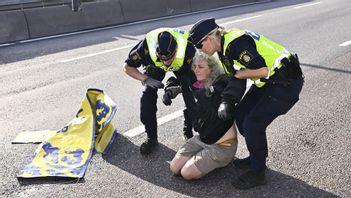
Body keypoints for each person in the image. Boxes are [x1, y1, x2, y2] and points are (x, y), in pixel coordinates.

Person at [188, 18, 304, 189]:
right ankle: (256, 156)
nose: (200, 50)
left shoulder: (237, 43)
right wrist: (224, 97)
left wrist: (239, 75)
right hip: (269, 81)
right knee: (241, 116)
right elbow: (233, 76)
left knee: (252, 123)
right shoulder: (223, 47)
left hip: (286, 82)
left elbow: (261, 70)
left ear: (210, 38)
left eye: (199, 45)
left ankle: (258, 172)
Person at [169, 52, 246, 180]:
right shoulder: (197, 83)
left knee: (187, 173)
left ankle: (220, 161)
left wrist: (226, 102)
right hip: (202, 139)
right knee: (174, 168)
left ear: (212, 69)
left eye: (201, 67)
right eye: (195, 66)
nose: (196, 70)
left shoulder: (220, 84)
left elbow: (232, 80)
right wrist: (170, 87)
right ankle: (201, 158)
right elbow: (179, 76)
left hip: (222, 146)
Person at [123, 28, 197, 155]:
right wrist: (145, 79)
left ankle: (187, 129)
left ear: (176, 49)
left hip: (183, 67)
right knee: (146, 100)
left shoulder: (189, 48)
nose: (166, 62)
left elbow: (202, 74)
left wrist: (178, 86)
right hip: (155, 67)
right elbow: (127, 67)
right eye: (162, 58)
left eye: (169, 58)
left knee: (192, 97)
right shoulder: (146, 45)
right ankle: (151, 138)